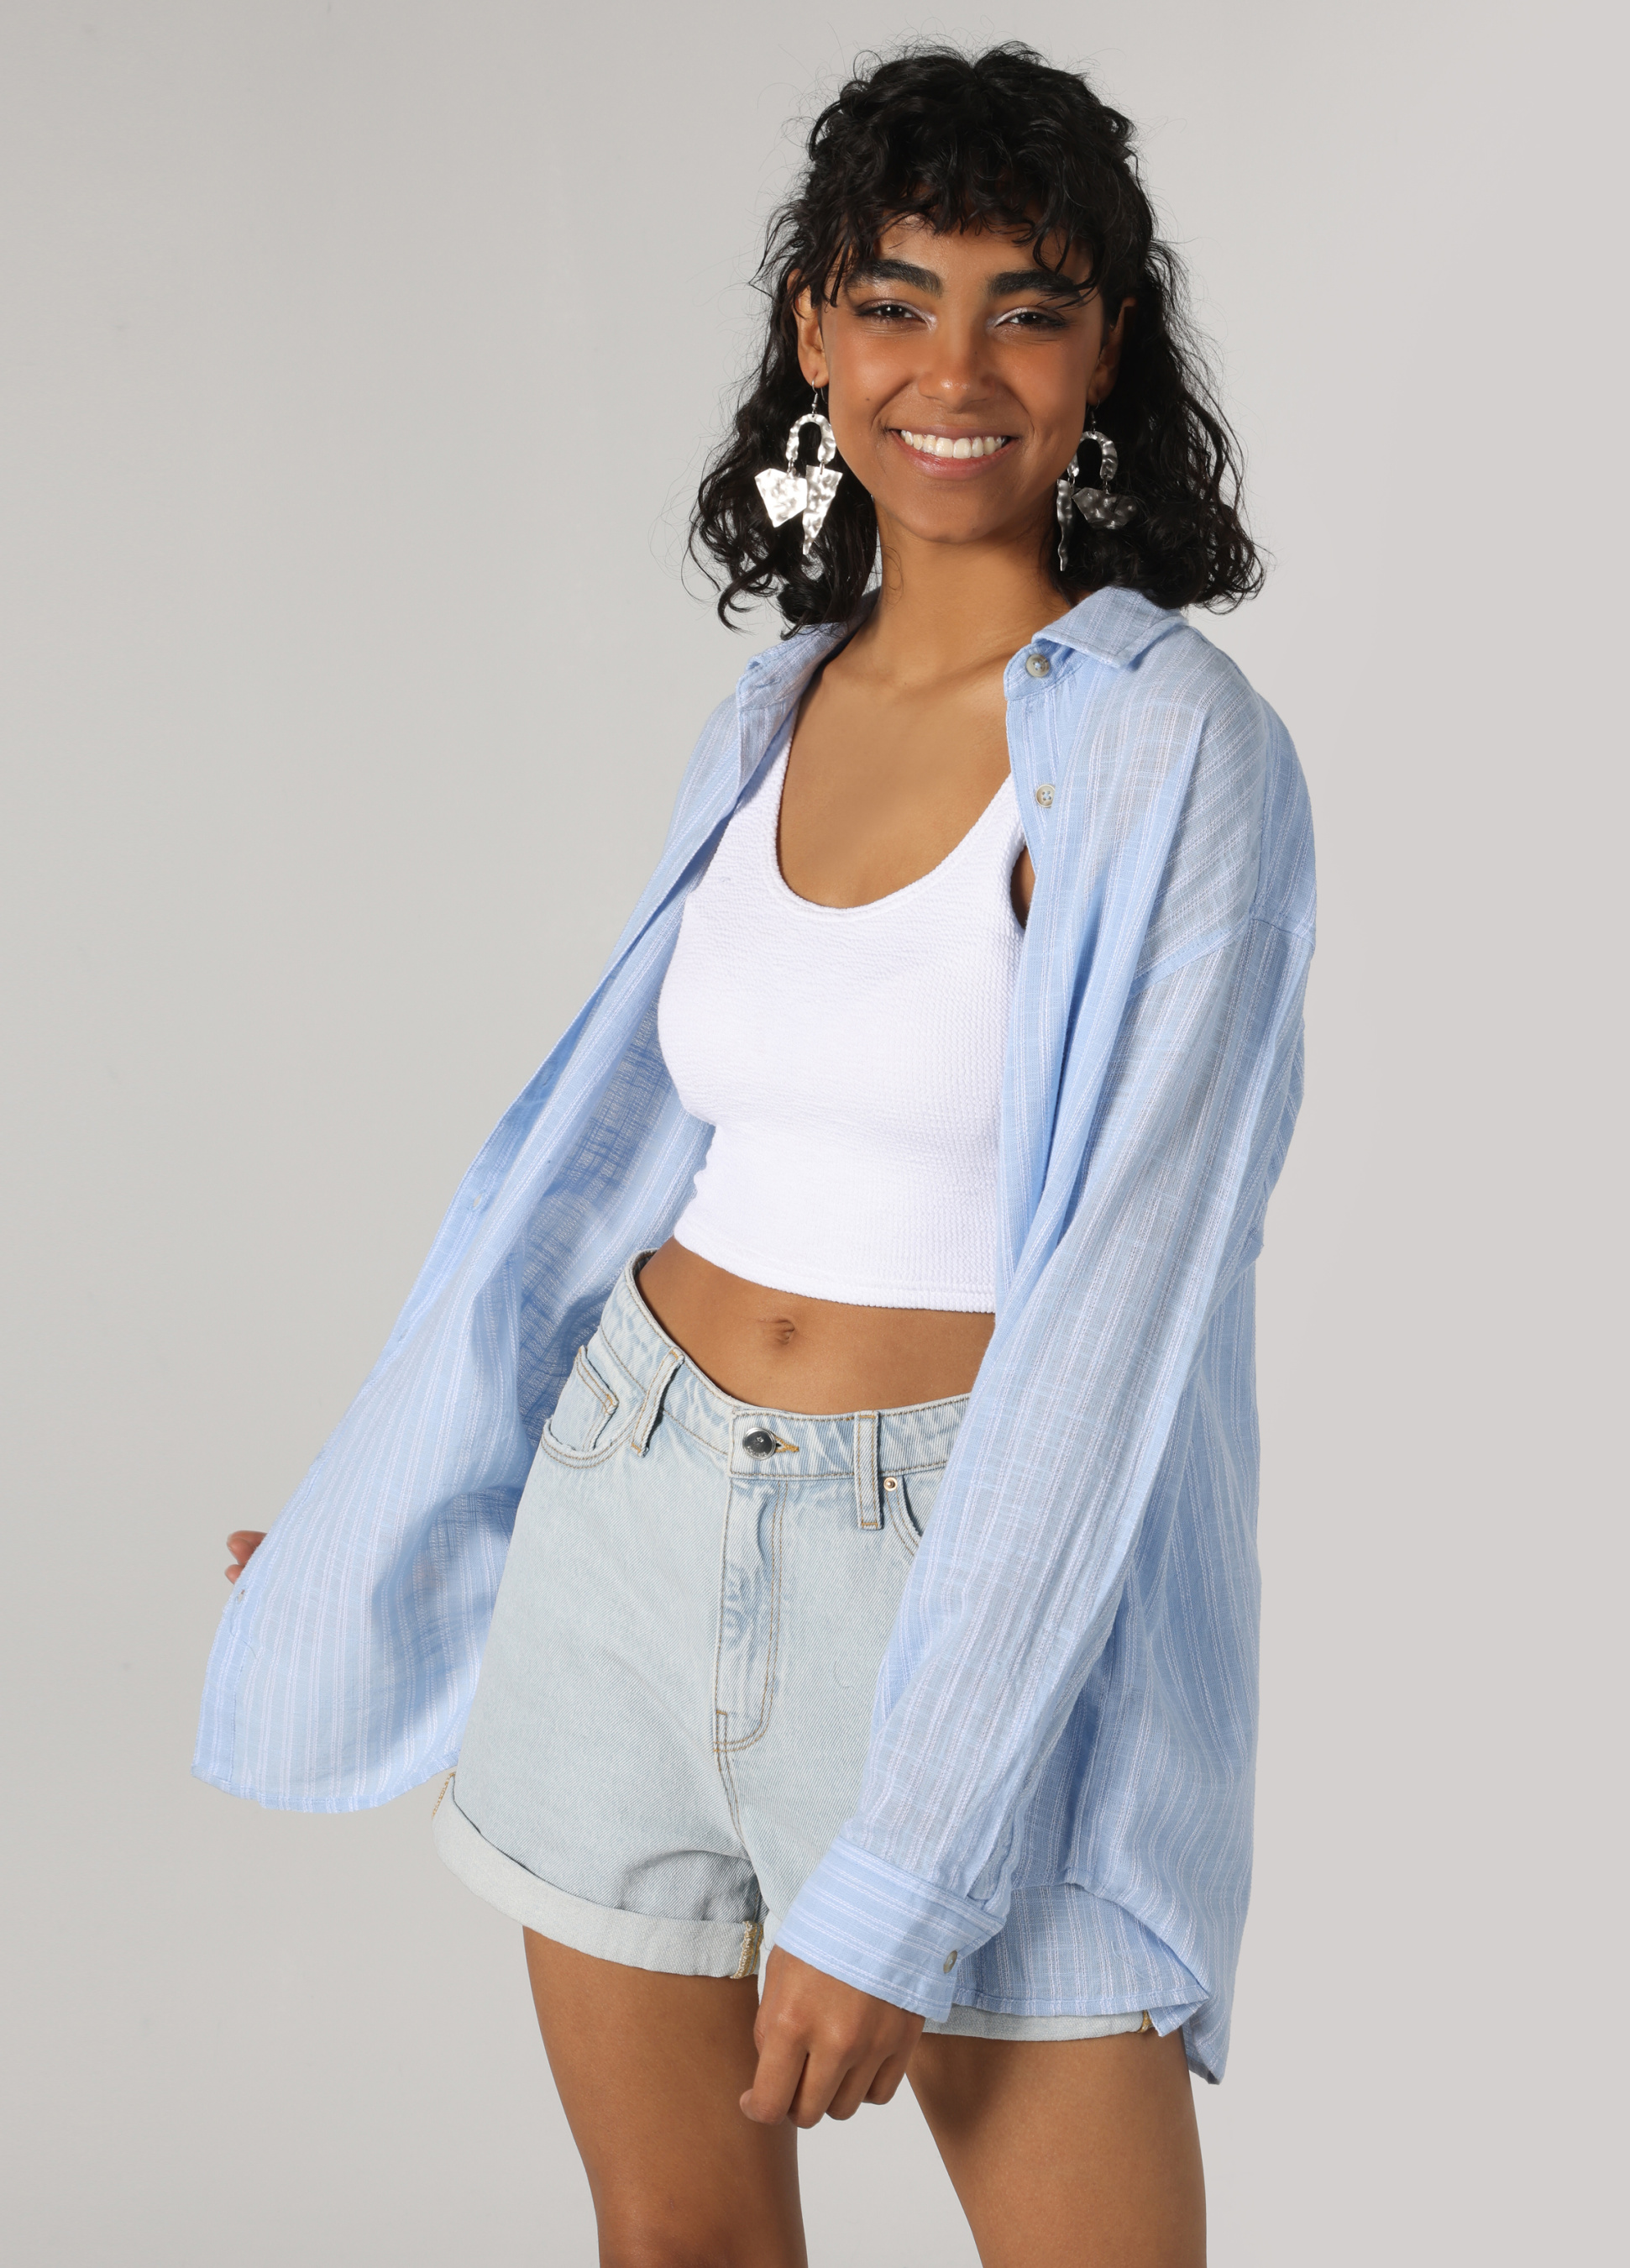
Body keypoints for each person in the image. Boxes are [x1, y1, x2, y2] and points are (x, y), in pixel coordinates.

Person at [202, 42, 1314, 2268]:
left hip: (958, 1580)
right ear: (814, 332)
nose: (954, 370)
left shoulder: (1173, 751)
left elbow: (1120, 1317)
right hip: (620, 1513)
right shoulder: (771, 707)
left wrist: (903, 1860)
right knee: (677, 2245)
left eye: (1027, 306)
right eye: (895, 302)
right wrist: (387, 1513)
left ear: (1105, 351)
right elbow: (586, 1178)